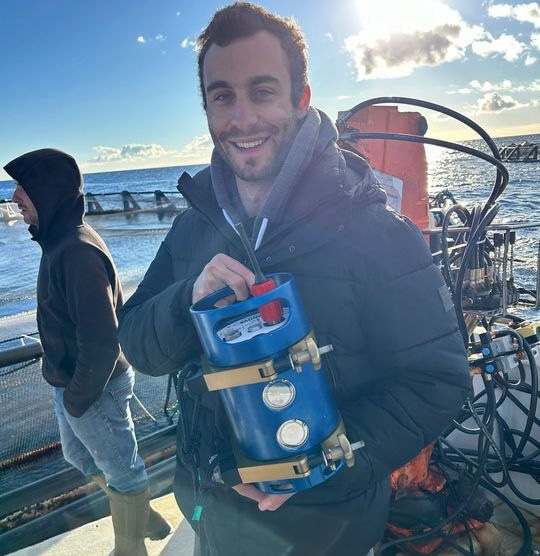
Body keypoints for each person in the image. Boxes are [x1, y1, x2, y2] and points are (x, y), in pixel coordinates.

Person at [118, 3, 471, 555]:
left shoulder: (377, 233)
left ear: (301, 99)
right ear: (207, 109)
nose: (241, 119)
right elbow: (137, 342)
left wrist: (320, 460)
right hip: (212, 514)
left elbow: (438, 380)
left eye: (262, 91)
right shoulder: (193, 229)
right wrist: (186, 301)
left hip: (326, 529)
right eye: (222, 96)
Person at [4, 148, 171, 556]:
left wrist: (78, 397)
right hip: (74, 386)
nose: (15, 199)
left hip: (95, 387)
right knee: (79, 456)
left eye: (23, 188)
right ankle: (140, 514)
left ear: (48, 192)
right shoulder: (58, 241)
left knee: (124, 472)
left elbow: (101, 338)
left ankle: (130, 547)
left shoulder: (77, 251)